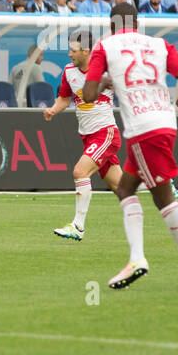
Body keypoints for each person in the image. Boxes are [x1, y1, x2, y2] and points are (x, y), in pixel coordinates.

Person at [82, 4, 178, 290]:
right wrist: (175, 110)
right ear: (137, 22)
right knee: (126, 188)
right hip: (164, 122)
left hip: (143, 128)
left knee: (163, 199)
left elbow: (88, 95)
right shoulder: (159, 44)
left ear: (112, 24)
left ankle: (140, 259)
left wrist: (105, 82)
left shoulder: (105, 47)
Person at [45, 29, 125, 241]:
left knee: (80, 172)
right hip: (88, 136)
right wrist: (53, 110)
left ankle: (78, 227)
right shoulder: (69, 71)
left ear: (86, 51)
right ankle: (159, 182)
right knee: (122, 188)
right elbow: (64, 98)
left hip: (105, 133)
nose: (70, 55)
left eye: (74, 50)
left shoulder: (105, 70)